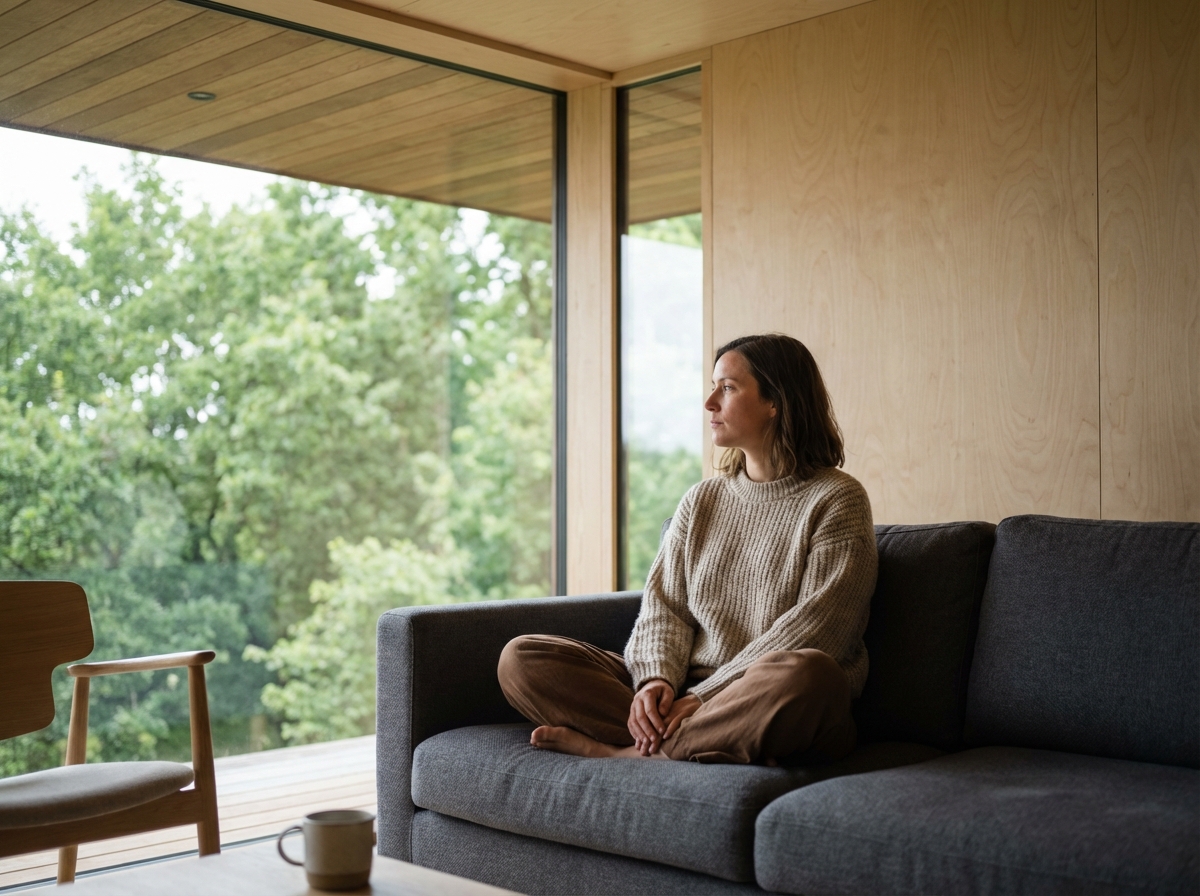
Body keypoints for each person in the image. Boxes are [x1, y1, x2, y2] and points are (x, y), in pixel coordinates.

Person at [498, 333, 877, 765]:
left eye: (728, 388)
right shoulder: (701, 501)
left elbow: (820, 629)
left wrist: (704, 698)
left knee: (811, 673)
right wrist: (655, 682)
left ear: (777, 401)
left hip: (768, 697)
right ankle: (676, 745)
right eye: (713, 386)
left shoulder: (837, 499)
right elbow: (665, 608)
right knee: (523, 657)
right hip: (685, 694)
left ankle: (629, 756)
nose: (710, 402)